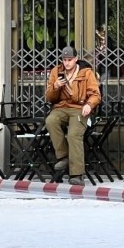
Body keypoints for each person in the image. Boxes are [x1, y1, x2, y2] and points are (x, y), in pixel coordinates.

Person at [45, 46, 101, 185]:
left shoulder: (86, 73)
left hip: (80, 108)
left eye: (70, 60)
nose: (67, 63)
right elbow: (49, 98)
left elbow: (95, 94)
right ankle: (63, 156)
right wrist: (55, 87)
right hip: (62, 107)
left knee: (74, 134)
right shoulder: (56, 72)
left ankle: (76, 174)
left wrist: (89, 105)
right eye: (64, 60)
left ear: (76, 59)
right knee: (51, 120)